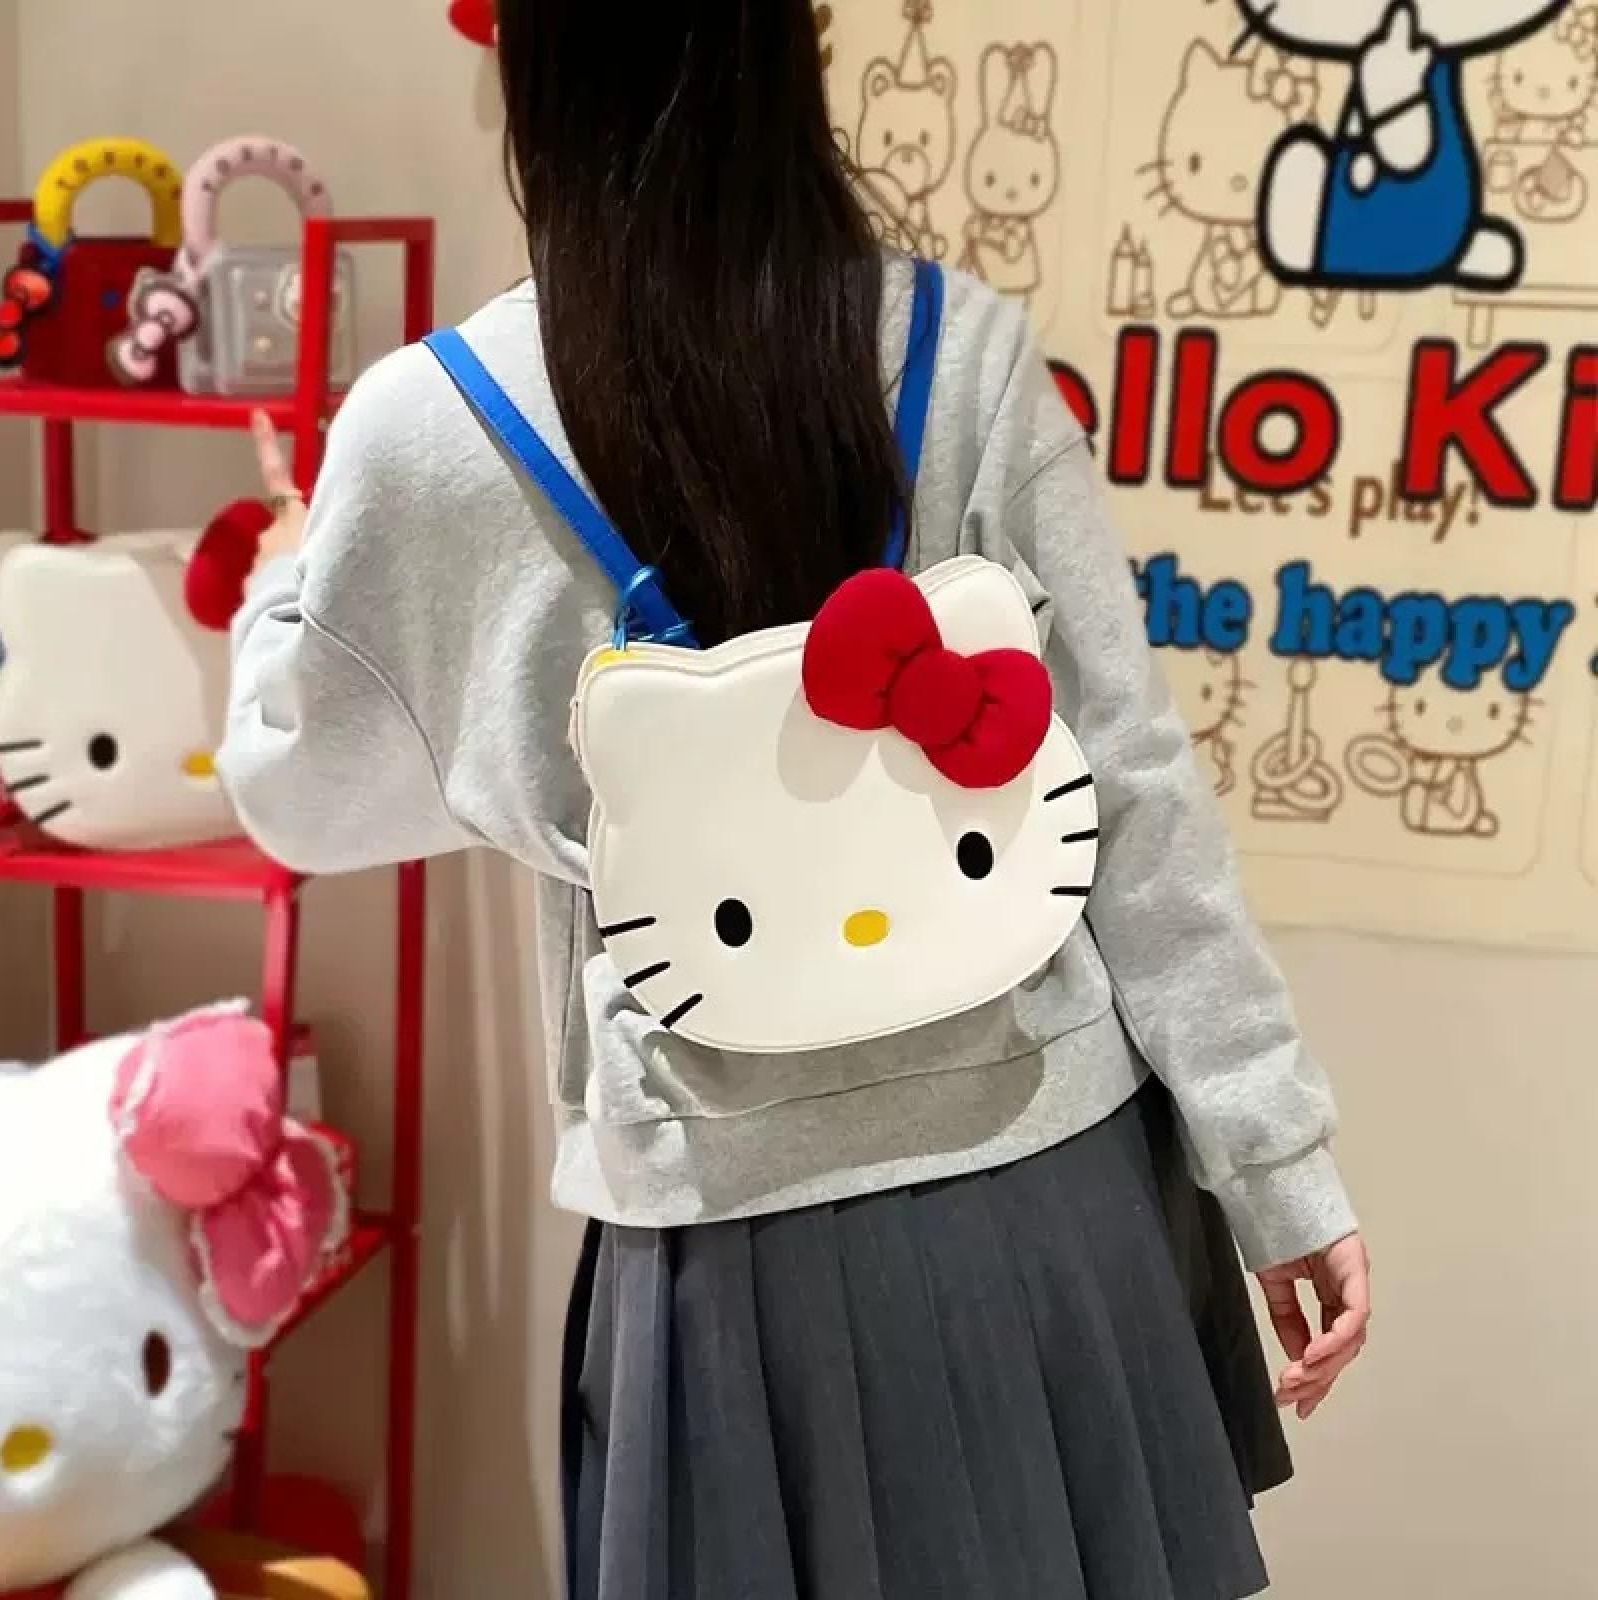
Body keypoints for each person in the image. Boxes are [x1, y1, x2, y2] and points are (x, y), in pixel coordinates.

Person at [222, 3, 1370, 1595]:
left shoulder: (434, 432)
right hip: (1062, 1190)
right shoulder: (961, 353)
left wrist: (284, 582)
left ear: (533, 68)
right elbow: (1135, 788)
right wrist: (1277, 1161)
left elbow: (305, 791)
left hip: (728, 1256)